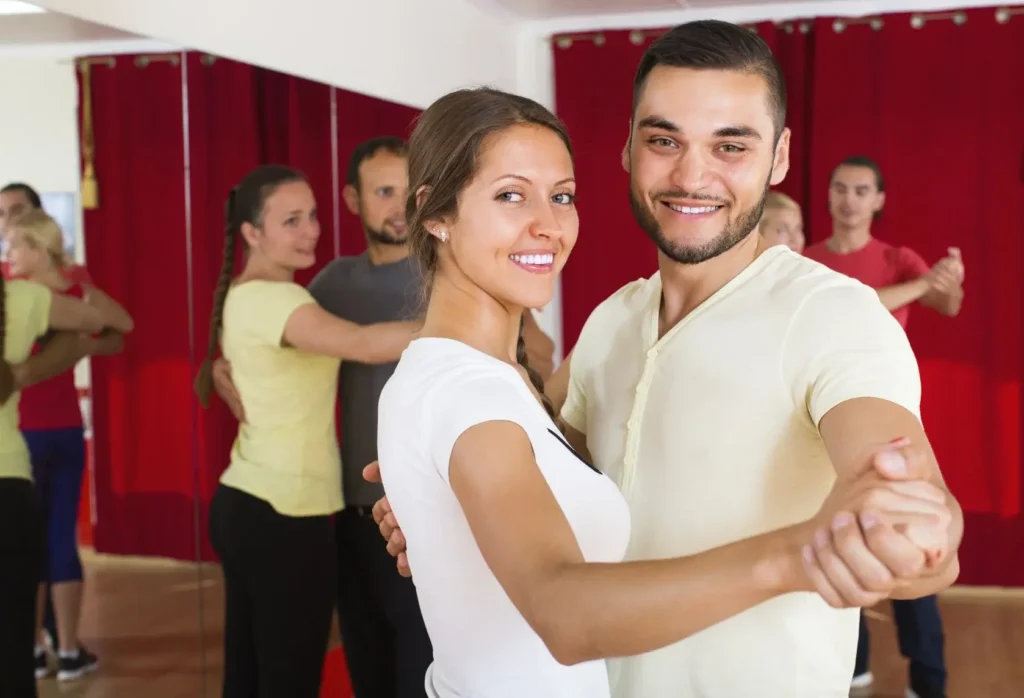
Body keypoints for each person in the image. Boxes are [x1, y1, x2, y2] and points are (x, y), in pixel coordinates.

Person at [369, 21, 963, 698]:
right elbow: (544, 476)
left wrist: (909, 531)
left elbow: (920, 528)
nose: (692, 175)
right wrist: (441, 504)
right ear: (629, 149)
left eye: (730, 146)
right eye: (664, 140)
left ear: (779, 158)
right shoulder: (611, 323)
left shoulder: (833, 314)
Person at [192, 164, 422, 698]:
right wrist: (465, 320)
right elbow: (364, 345)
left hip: (252, 504)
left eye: (313, 216)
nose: (310, 231)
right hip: (282, 514)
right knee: (286, 677)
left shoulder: (254, 294)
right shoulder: (279, 300)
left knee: (249, 675)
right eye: (291, 220)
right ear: (252, 233)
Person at [804, 155, 964, 698]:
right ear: (828, 197)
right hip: (817, 427)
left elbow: (948, 302)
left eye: (861, 190)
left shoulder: (897, 258)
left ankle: (928, 682)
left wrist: (943, 281)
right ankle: (854, 676)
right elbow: (854, 307)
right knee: (841, 540)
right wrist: (920, 288)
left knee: (911, 543)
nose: (850, 199)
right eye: (841, 188)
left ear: (878, 201)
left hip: (890, 424)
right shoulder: (807, 261)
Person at [4, 209, 132, 681]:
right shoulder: (77, 293)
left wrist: (77, 347)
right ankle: (71, 650)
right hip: (66, 432)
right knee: (60, 538)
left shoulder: (23, 298)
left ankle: (35, 647)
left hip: (26, 434)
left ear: (37, 249)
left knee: (30, 546)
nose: (8, 256)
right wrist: (85, 346)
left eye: (14, 246)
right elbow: (122, 326)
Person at [0, 272, 107, 697]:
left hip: (11, 484)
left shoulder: (20, 296)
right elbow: (94, 321)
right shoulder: (19, 297)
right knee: (12, 654)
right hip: (10, 487)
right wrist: (27, 371)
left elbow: (94, 322)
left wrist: (27, 371)